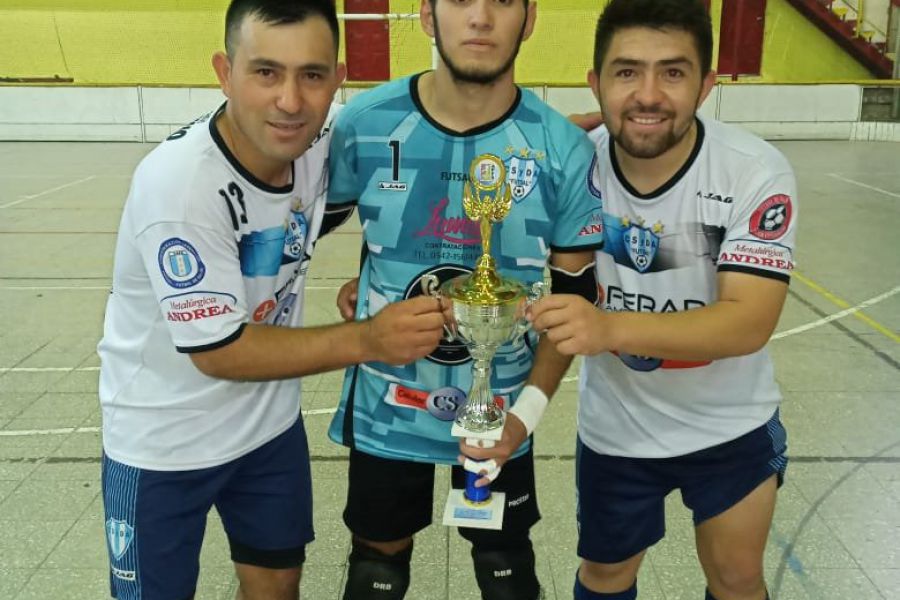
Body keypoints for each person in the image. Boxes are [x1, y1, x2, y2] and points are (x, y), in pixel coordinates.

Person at [96, 2, 445, 599]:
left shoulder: (315, 144)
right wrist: (370, 337)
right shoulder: (180, 186)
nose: (289, 99)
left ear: (336, 79)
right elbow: (222, 351)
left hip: (266, 431)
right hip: (161, 442)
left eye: (310, 75)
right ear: (223, 73)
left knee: (278, 585)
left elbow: (448, 137)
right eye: (265, 73)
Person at [325, 0, 606, 598]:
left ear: (530, 19)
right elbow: (298, 225)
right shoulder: (365, 122)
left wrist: (524, 416)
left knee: (505, 563)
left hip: (498, 408)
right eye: (459, 0)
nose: (480, 17)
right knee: (375, 564)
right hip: (388, 401)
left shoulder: (560, 148)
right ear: (426, 16)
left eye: (503, 1)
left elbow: (575, 308)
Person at [528, 1, 797, 599]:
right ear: (596, 83)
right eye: (626, 72)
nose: (648, 94)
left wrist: (608, 328)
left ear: (706, 85)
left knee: (736, 579)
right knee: (605, 575)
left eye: (672, 73)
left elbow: (747, 323)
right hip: (617, 430)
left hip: (730, 425)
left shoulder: (752, 171)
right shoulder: (571, 162)